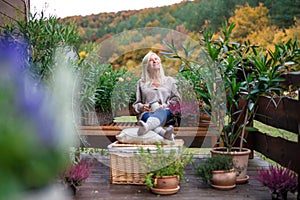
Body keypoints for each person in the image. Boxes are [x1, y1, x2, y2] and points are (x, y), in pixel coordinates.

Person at [132, 51, 181, 140]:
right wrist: (142, 107)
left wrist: (165, 105)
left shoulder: (170, 81)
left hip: (166, 113)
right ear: (146, 66)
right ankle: (165, 134)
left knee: (162, 112)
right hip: (148, 113)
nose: (154, 61)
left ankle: (146, 127)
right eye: (151, 60)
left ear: (160, 62)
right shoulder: (141, 83)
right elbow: (136, 103)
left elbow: (176, 99)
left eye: (156, 59)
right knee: (147, 116)